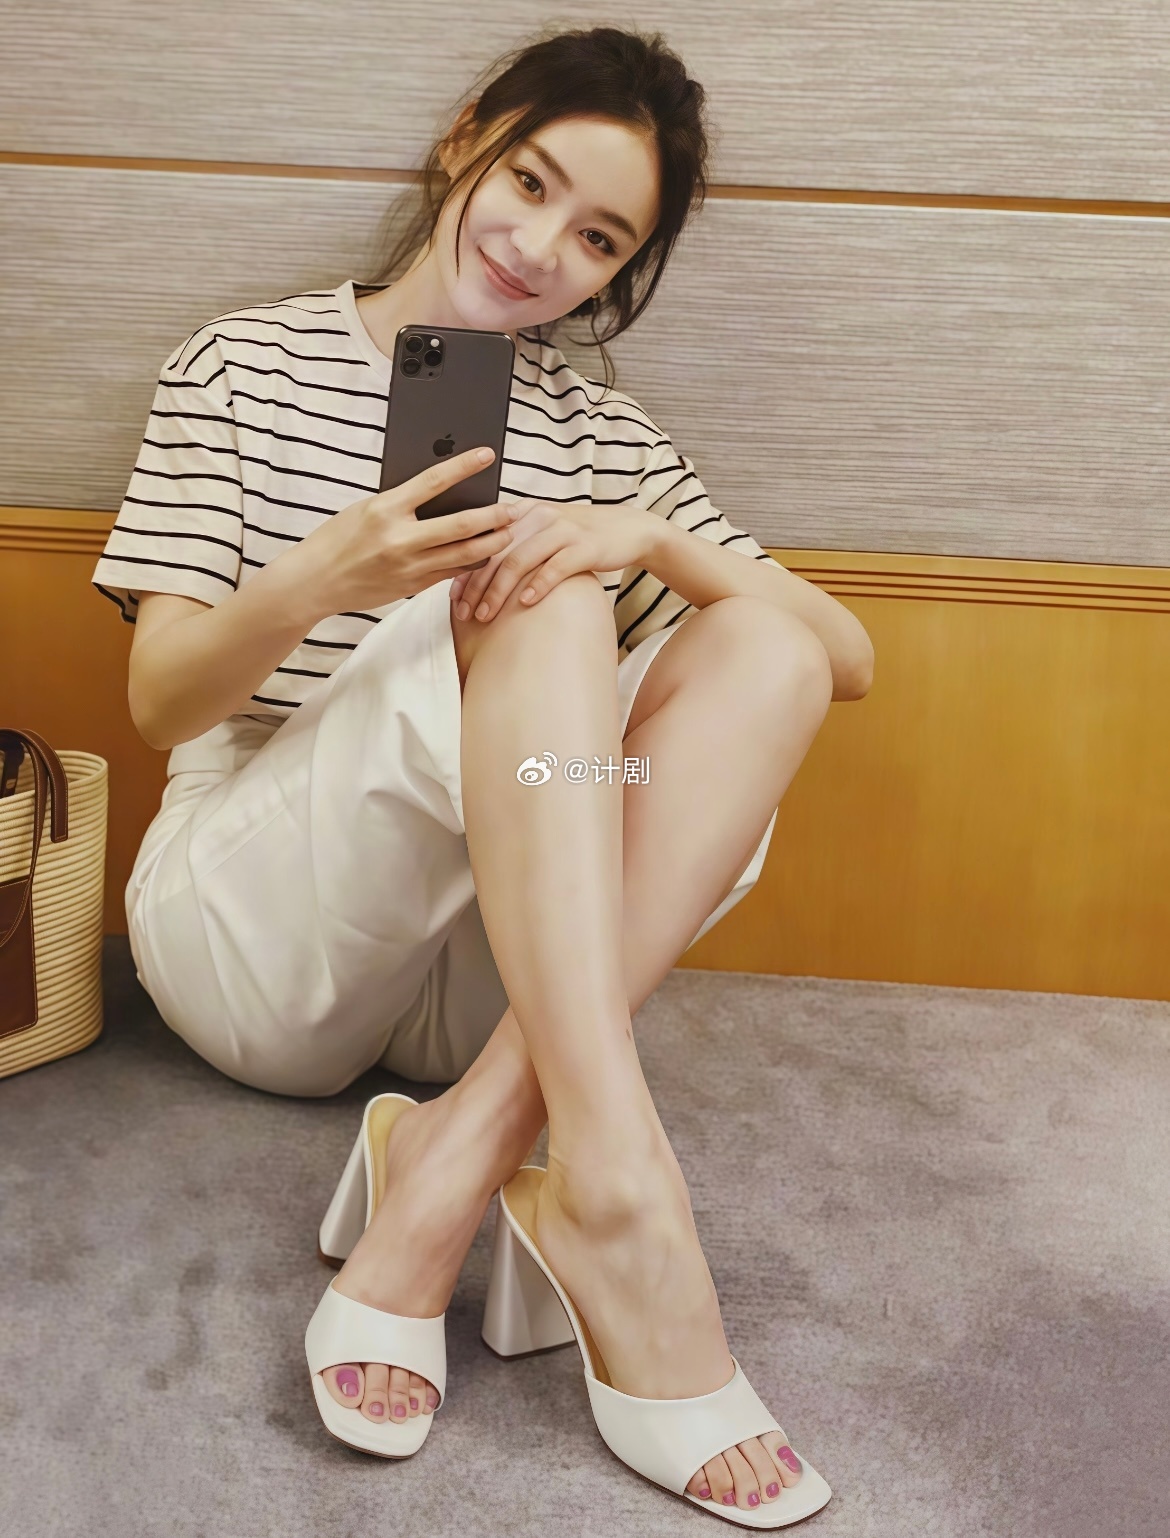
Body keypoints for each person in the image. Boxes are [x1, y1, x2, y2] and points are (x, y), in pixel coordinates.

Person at [91, 24, 873, 1516]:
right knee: (538, 597)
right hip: (259, 935)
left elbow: (843, 658)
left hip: (486, 974)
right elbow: (158, 705)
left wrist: (650, 538)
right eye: (530, 181)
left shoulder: (600, 437)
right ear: (467, 140)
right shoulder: (243, 365)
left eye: (599, 238)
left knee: (759, 648)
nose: (539, 247)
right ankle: (622, 1201)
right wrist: (332, 578)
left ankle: (452, 1159)